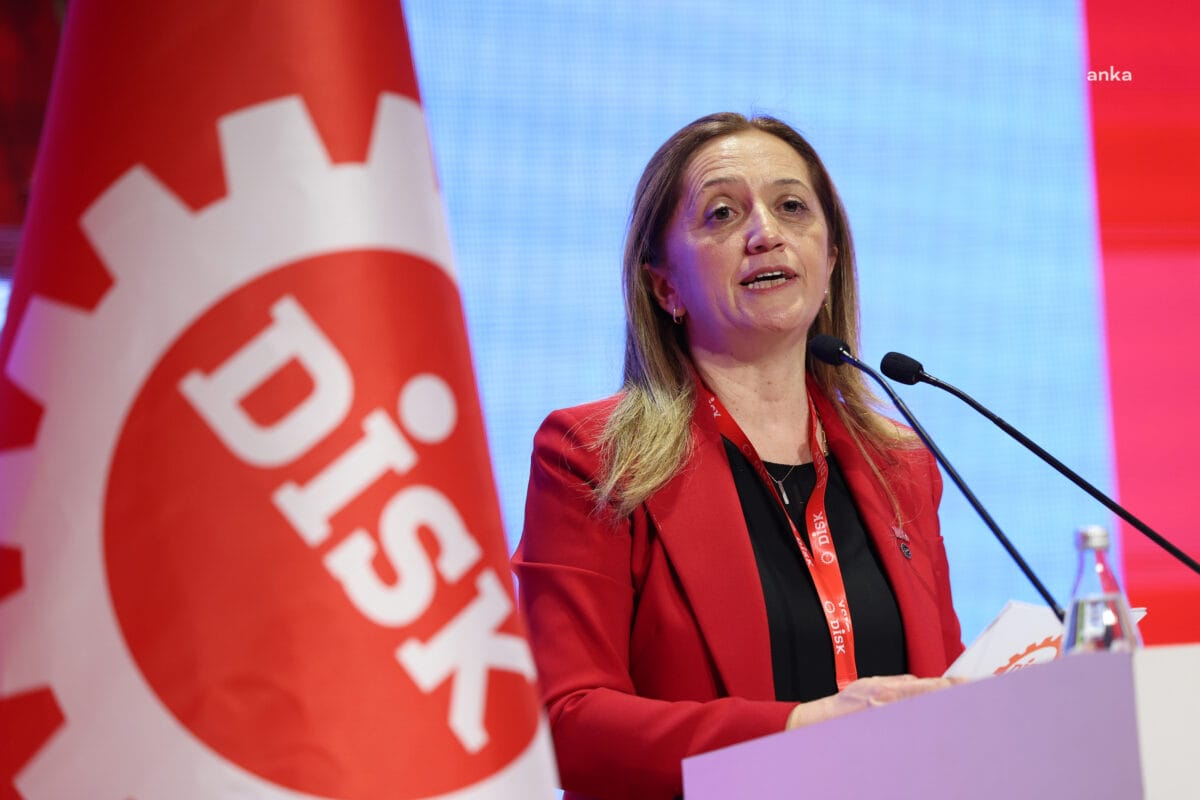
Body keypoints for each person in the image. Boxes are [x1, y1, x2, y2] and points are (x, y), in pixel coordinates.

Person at [513, 112, 964, 800]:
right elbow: (566, 723)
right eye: (722, 213)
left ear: (830, 260)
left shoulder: (899, 465)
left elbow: (941, 692)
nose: (765, 233)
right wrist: (801, 728)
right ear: (664, 286)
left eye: (792, 207)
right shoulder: (594, 458)